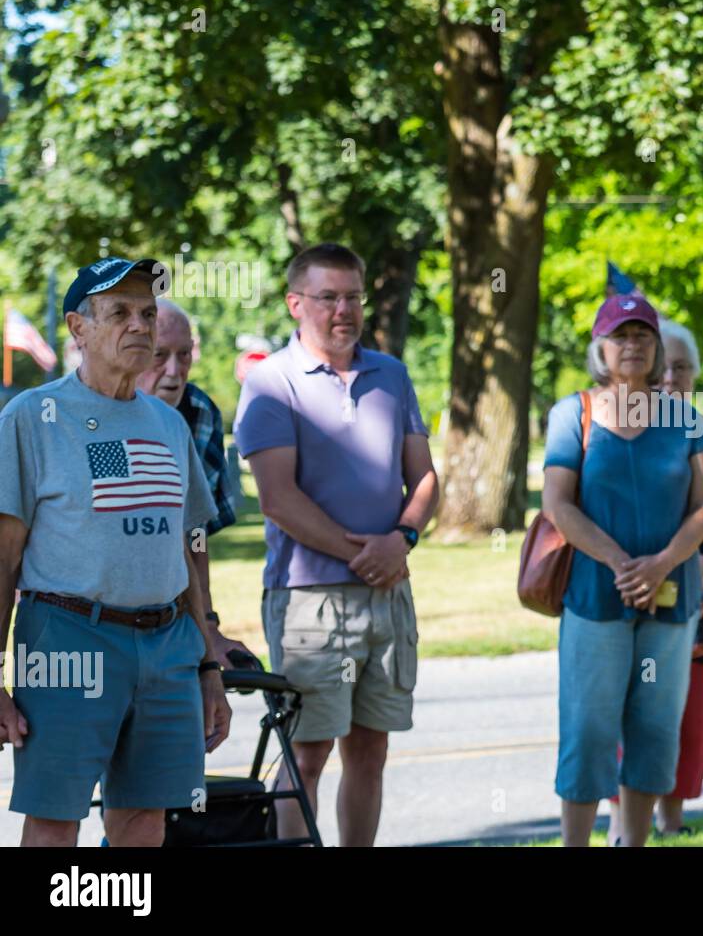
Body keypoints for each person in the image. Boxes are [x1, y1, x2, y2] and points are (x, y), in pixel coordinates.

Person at [0, 257, 232, 846]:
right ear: (79, 329)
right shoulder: (31, 417)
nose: (140, 326)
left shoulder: (167, 424)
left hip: (167, 643)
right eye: (121, 313)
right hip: (67, 635)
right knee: (55, 818)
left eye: (148, 314)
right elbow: (3, 561)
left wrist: (208, 663)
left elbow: (187, 555)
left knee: (144, 820)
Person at [234, 242, 438, 847]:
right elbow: (277, 498)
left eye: (352, 295)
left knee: (370, 751)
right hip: (310, 599)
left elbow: (423, 477)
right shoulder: (272, 382)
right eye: (328, 297)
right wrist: (364, 553)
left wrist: (402, 538)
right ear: (297, 303)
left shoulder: (391, 374)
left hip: (388, 594)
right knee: (308, 753)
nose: (342, 309)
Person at [542, 292, 703, 847]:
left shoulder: (685, 418)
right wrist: (622, 564)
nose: (632, 345)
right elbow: (558, 505)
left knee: (655, 733)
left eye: (643, 335)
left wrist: (663, 564)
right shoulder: (574, 413)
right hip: (596, 597)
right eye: (620, 336)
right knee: (589, 731)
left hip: (672, 600)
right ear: (601, 349)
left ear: (658, 346)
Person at [607, 317, 703, 840]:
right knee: (635, 709)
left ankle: (673, 820)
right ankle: (623, 823)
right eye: (663, 367)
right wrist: (690, 568)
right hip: (650, 593)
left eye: (683, 367)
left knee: (692, 714)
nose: (672, 377)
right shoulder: (629, 430)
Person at [135, 297, 249, 666]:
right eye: (159, 355)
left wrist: (209, 627)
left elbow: (194, 534)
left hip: (170, 614)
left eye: (184, 355)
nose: (173, 371)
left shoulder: (198, 413)